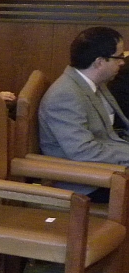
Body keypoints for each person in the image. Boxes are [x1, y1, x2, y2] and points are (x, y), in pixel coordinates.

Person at [37, 26, 129, 194]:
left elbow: (108, 135)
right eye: (119, 57)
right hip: (86, 182)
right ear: (100, 62)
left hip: (108, 167)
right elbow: (83, 151)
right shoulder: (65, 95)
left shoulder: (95, 83)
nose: (122, 62)